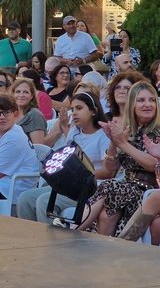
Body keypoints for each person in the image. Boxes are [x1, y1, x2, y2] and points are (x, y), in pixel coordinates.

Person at [76, 81, 160, 236]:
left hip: (148, 191)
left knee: (110, 187)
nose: (148, 104)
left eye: (152, 100)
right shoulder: (128, 130)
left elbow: (155, 166)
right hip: (126, 190)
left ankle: (74, 230)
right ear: (132, 104)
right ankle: (104, 251)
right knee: (107, 211)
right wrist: (113, 141)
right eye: (141, 100)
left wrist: (123, 144)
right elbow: (111, 168)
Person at [17, 92, 110, 224]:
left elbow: (108, 171)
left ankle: (51, 243)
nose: (74, 113)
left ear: (94, 111)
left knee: (43, 201)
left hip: (90, 188)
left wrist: (83, 175)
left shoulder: (103, 136)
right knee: (25, 198)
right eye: (72, 109)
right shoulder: (74, 132)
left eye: (79, 108)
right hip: (69, 184)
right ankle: (30, 239)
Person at [11, 78, 47, 144]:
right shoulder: (11, 113)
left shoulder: (34, 115)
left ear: (32, 96)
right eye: (18, 92)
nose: (21, 95)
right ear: (13, 94)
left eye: (26, 92)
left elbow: (38, 147)